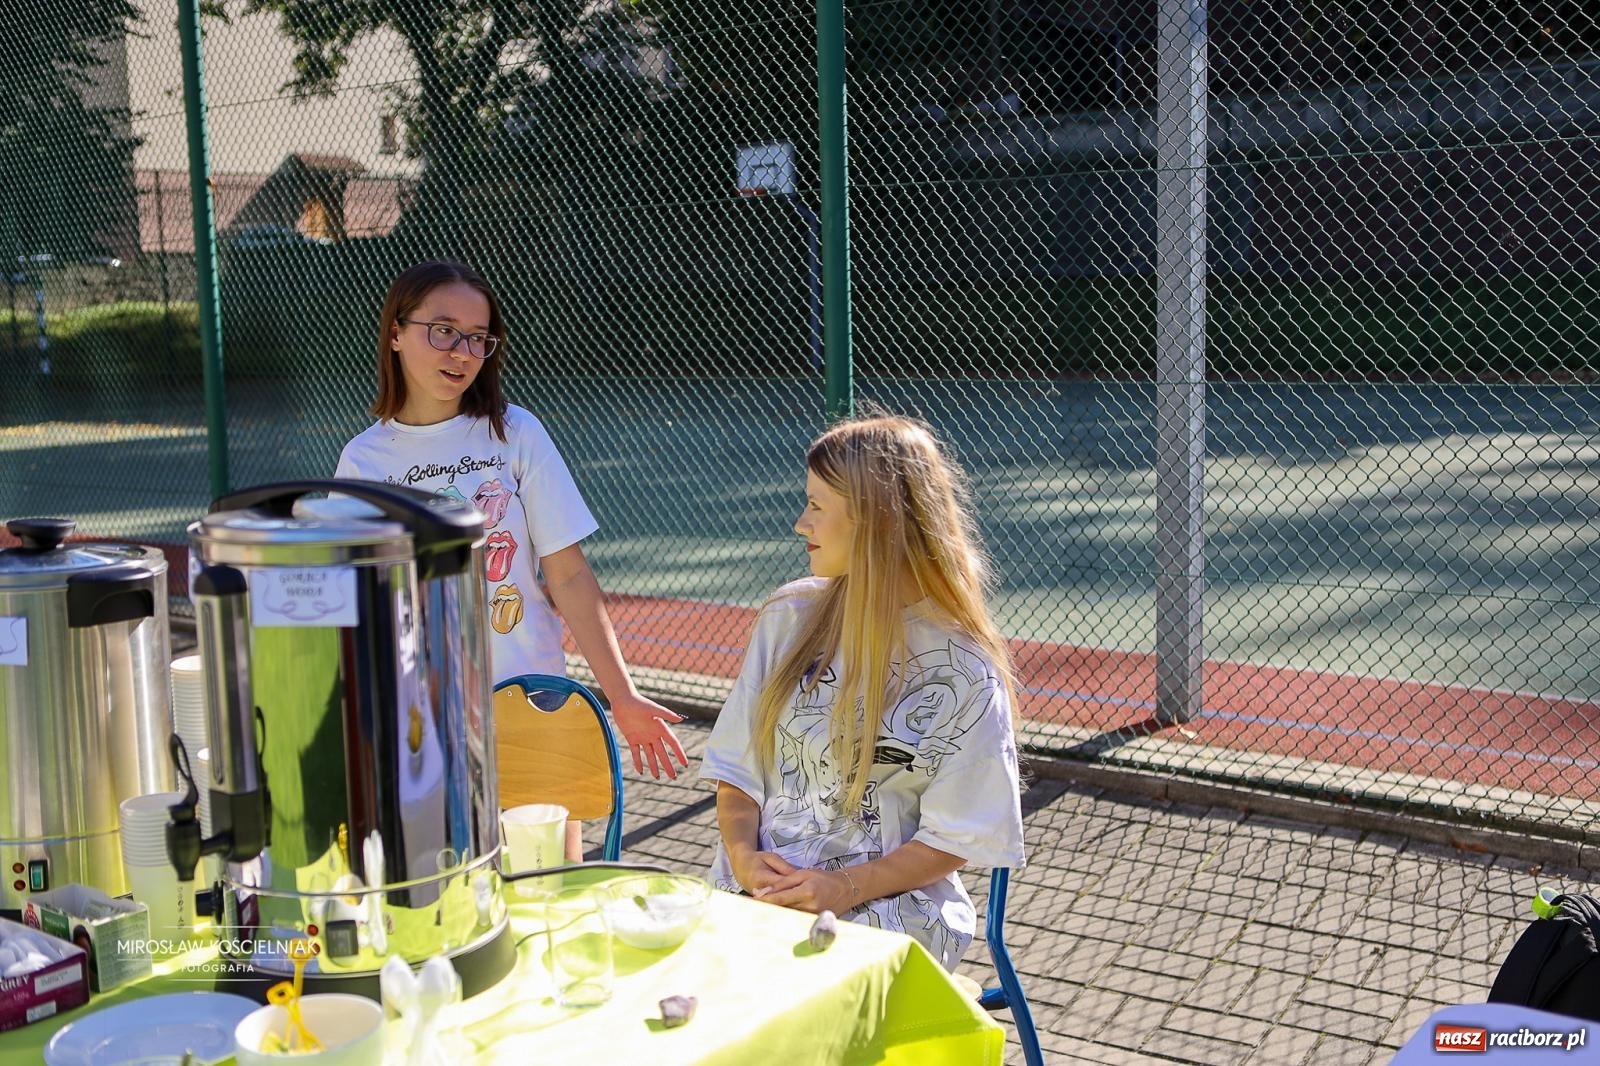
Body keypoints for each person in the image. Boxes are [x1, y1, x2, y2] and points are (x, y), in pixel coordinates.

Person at [332, 260, 688, 853]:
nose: (462, 351)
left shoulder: (513, 432)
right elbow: (358, 608)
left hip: (532, 695)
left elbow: (568, 573)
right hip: (424, 716)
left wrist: (620, 695)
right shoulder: (364, 462)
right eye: (443, 329)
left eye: (478, 336)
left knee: (548, 887)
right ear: (395, 332)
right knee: (448, 892)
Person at [699, 413, 1026, 971]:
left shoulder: (966, 674)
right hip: (759, 895)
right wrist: (744, 857)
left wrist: (842, 887)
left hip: (891, 911)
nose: (801, 523)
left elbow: (955, 837)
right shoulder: (790, 617)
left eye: (817, 506)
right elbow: (737, 772)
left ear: (876, 521)